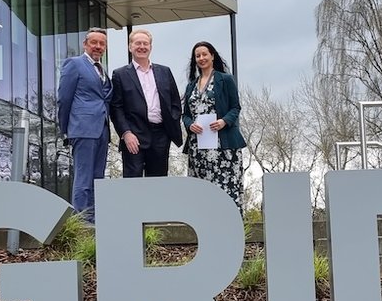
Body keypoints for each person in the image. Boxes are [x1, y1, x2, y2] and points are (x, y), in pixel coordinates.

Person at [182, 41, 246, 211]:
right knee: (202, 190)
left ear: (212, 56)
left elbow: (235, 107)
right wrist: (190, 125)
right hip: (198, 147)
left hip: (223, 147)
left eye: (204, 54)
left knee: (226, 189)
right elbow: (185, 114)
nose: (201, 58)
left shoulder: (225, 79)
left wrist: (224, 121)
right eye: (198, 56)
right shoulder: (191, 85)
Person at [110, 29, 183, 177]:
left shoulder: (165, 71)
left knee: (158, 183)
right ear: (130, 47)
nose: (142, 47)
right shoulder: (120, 74)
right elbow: (116, 107)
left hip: (160, 136)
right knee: (133, 183)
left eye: (145, 43)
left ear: (150, 47)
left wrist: (170, 126)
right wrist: (126, 133)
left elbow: (175, 102)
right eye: (138, 43)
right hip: (134, 136)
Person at [58, 27, 112, 223]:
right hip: (83, 128)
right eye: (94, 43)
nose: (98, 47)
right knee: (84, 178)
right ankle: (81, 222)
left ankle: (94, 221)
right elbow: (64, 99)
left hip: (102, 129)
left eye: (102, 44)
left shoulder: (102, 70)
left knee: (98, 179)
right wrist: (65, 130)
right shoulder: (74, 64)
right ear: (85, 44)